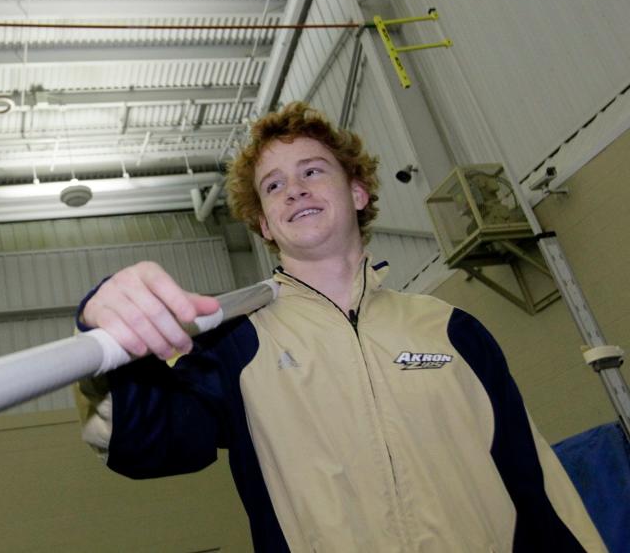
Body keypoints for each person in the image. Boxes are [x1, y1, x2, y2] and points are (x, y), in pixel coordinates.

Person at [74, 102, 604, 552]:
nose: (294, 190)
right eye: (273, 185)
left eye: (312, 171)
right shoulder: (235, 341)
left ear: (357, 192)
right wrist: (112, 345)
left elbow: (533, 482)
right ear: (263, 222)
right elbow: (143, 446)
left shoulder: (450, 330)